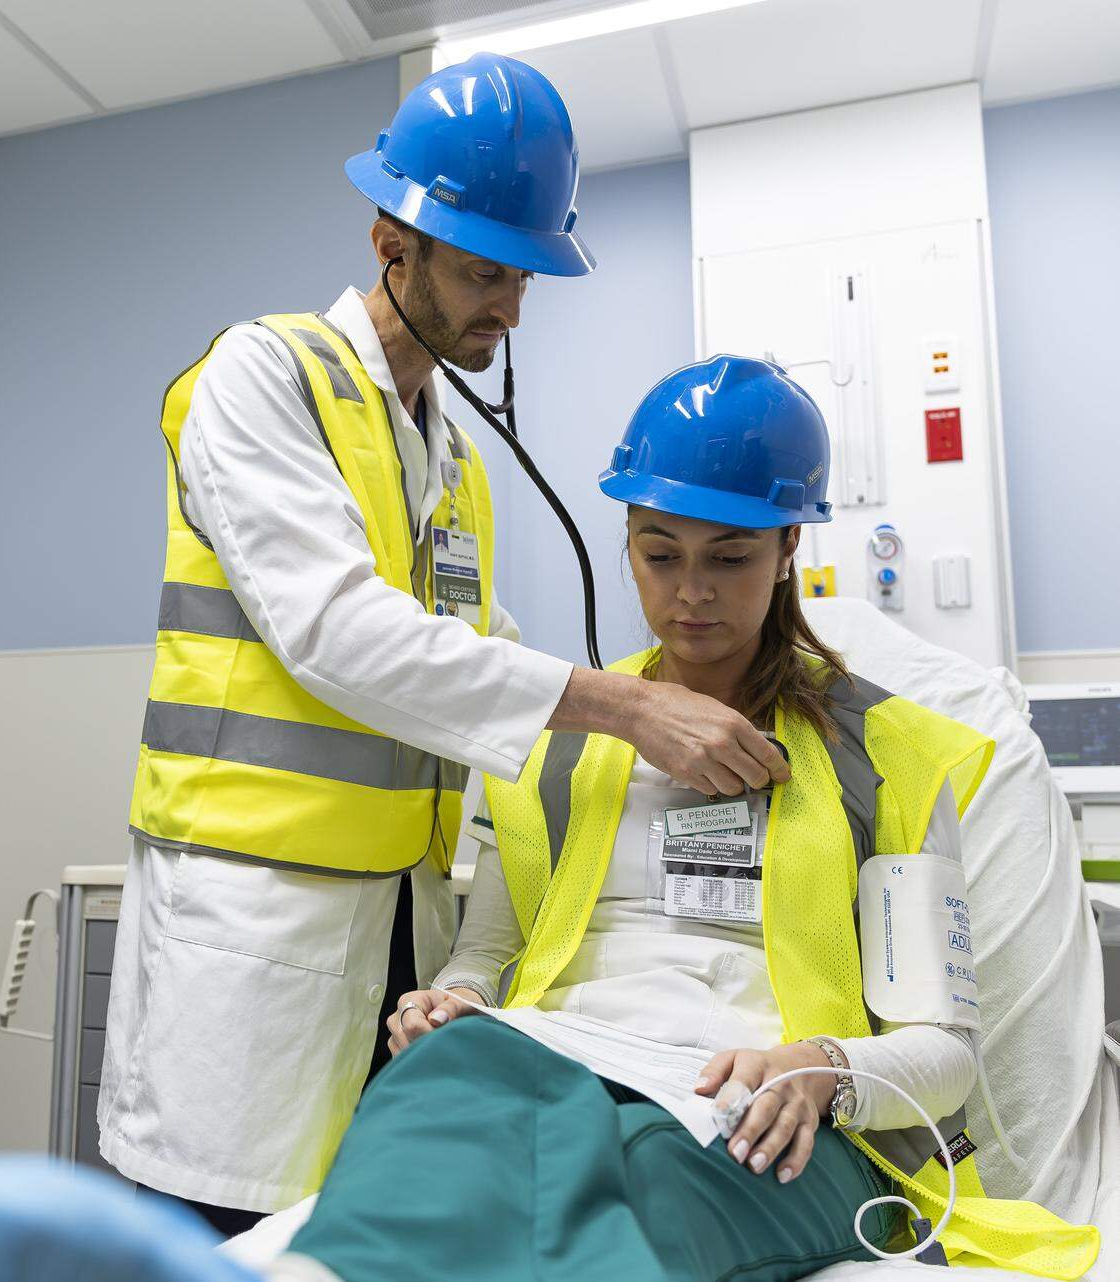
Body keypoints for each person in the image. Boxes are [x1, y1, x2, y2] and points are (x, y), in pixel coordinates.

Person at [97, 57, 789, 1235]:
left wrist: (653, 710)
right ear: (391, 240)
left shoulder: (452, 456)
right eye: (483, 272)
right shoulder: (265, 378)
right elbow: (339, 633)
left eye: (522, 278)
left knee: (346, 1231)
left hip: (396, 925)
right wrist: (624, 711)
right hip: (253, 922)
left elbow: (482, 646)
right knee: (209, 1234)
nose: (509, 310)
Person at [266, 357, 1099, 1282]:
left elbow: (945, 1054)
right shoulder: (563, 742)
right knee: (428, 1097)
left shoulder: (888, 758)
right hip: (555, 1058)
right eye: (660, 555)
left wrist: (823, 1068)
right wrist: (456, 1003)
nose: (690, 593)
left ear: (789, 549)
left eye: (729, 558)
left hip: (759, 1103)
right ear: (625, 542)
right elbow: (491, 954)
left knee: (652, 1178)